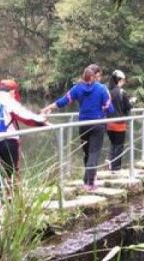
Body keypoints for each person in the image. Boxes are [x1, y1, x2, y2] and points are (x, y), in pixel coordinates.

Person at [42, 64, 113, 192]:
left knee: (86, 153)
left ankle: (87, 179)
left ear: (83, 76)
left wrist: (48, 108)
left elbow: (63, 101)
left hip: (83, 124)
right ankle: (90, 183)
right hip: (97, 124)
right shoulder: (102, 89)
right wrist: (102, 109)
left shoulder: (77, 88)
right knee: (94, 153)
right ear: (94, 76)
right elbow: (109, 108)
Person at [0, 79, 47, 210]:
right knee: (11, 170)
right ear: (12, 91)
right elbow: (25, 116)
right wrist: (42, 120)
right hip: (8, 140)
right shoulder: (8, 100)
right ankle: (13, 198)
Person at [106, 70, 134, 172]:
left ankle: (110, 161)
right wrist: (131, 102)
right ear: (120, 80)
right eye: (123, 80)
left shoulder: (108, 92)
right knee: (119, 146)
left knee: (113, 144)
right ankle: (116, 167)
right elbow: (128, 106)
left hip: (108, 123)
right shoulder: (121, 92)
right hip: (119, 124)